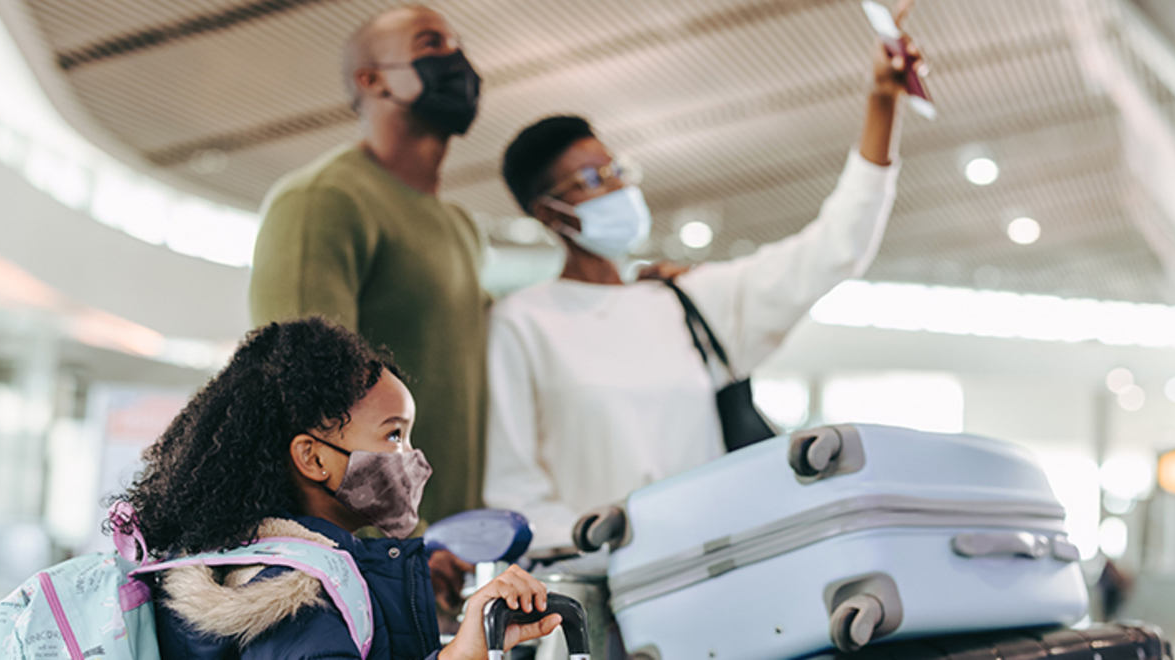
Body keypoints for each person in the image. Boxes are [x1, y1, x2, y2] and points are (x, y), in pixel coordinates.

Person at [485, 16, 923, 548]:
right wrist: (605, 544)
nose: (617, 188)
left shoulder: (684, 300)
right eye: (591, 181)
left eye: (616, 169)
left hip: (717, 565)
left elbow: (837, 247)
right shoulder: (524, 323)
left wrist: (882, 104)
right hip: (603, 585)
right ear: (549, 212)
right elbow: (514, 488)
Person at [113, 318, 560, 659]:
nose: (413, 458)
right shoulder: (293, 600)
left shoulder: (274, 574)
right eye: (393, 435)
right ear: (313, 458)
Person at [248, 5, 489, 537]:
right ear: (372, 79)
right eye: (432, 45)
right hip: (369, 557)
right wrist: (394, 539)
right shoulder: (323, 200)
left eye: (456, 44)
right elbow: (297, 394)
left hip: (444, 553)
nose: (457, 60)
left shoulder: (460, 226)